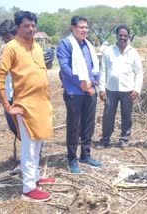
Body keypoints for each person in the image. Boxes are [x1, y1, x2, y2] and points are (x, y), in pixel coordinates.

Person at [0, 11, 55, 202]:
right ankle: (28, 188)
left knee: (39, 142)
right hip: (24, 106)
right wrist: (8, 107)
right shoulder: (10, 48)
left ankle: (35, 177)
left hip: (42, 103)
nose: (31, 29)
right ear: (17, 27)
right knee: (29, 146)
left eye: (33, 25)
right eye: (26, 26)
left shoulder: (36, 46)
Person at [57, 16, 102, 174]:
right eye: (81, 27)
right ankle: (72, 159)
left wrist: (92, 81)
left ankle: (85, 155)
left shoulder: (88, 45)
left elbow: (95, 68)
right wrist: (81, 83)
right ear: (73, 28)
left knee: (88, 125)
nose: (84, 30)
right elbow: (65, 68)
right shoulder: (65, 44)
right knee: (74, 126)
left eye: (86, 27)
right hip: (74, 92)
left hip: (90, 91)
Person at [96, 24, 143, 149]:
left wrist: (137, 89)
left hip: (128, 90)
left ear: (128, 37)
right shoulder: (108, 51)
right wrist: (101, 89)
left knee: (127, 116)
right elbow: (103, 71)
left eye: (125, 35)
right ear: (116, 36)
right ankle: (105, 139)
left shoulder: (133, 52)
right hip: (110, 90)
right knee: (108, 115)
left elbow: (139, 72)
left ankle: (124, 139)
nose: (123, 37)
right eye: (120, 35)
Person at [0, 20, 18, 138]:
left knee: (25, 127)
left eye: (8, 36)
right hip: (8, 95)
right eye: (3, 37)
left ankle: (33, 153)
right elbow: (1, 74)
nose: (5, 40)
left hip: (21, 95)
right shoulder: (4, 48)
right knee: (13, 126)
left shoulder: (23, 47)